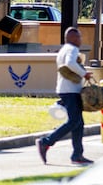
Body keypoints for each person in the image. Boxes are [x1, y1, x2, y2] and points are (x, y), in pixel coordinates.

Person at [36, 26, 93, 165]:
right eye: (78, 36)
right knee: (74, 121)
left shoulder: (64, 49)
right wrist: (83, 73)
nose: (80, 39)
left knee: (79, 123)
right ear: (72, 38)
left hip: (66, 89)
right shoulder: (72, 49)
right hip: (70, 90)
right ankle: (46, 142)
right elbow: (70, 63)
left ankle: (77, 155)